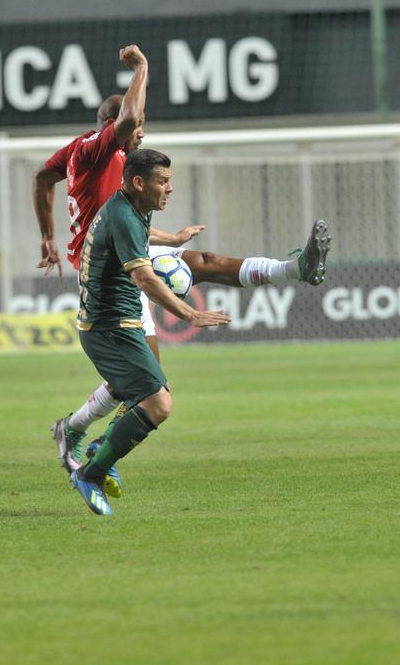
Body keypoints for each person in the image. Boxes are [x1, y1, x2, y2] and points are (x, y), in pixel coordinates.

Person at [35, 44, 331, 493]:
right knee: (150, 384)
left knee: (200, 266)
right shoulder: (99, 151)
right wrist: (142, 69)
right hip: (108, 273)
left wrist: (49, 236)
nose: (139, 133)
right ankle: (89, 443)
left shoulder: (91, 159)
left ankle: (295, 268)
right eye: (134, 128)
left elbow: (45, 180)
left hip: (111, 255)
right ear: (111, 127)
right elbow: (128, 128)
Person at [68, 148, 233, 515]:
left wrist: (173, 240)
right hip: (109, 327)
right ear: (139, 183)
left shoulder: (129, 208)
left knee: (151, 398)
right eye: (163, 181)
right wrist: (189, 313)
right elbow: (143, 277)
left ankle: (96, 449)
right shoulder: (124, 216)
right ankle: (91, 471)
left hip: (116, 323)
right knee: (158, 402)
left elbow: (140, 236)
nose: (170, 188)